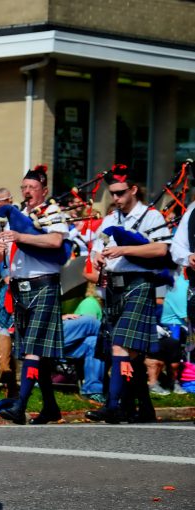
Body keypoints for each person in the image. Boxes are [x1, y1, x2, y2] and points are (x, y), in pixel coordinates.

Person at [86, 165, 170, 424]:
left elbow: (161, 250)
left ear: (133, 190)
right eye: (112, 194)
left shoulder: (152, 216)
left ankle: (112, 406)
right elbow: (97, 247)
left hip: (139, 284)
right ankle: (143, 408)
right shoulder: (111, 219)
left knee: (121, 346)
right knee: (128, 354)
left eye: (121, 193)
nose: (116, 199)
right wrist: (98, 257)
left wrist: (124, 251)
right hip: (113, 286)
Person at [0, 166, 67, 425]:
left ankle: (20, 406)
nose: (27, 192)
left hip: (43, 283)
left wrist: (21, 235)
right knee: (37, 352)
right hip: (19, 286)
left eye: (32, 188)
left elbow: (56, 242)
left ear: (44, 190)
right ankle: (50, 408)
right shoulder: (17, 216)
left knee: (32, 349)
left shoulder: (51, 212)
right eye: (24, 187)